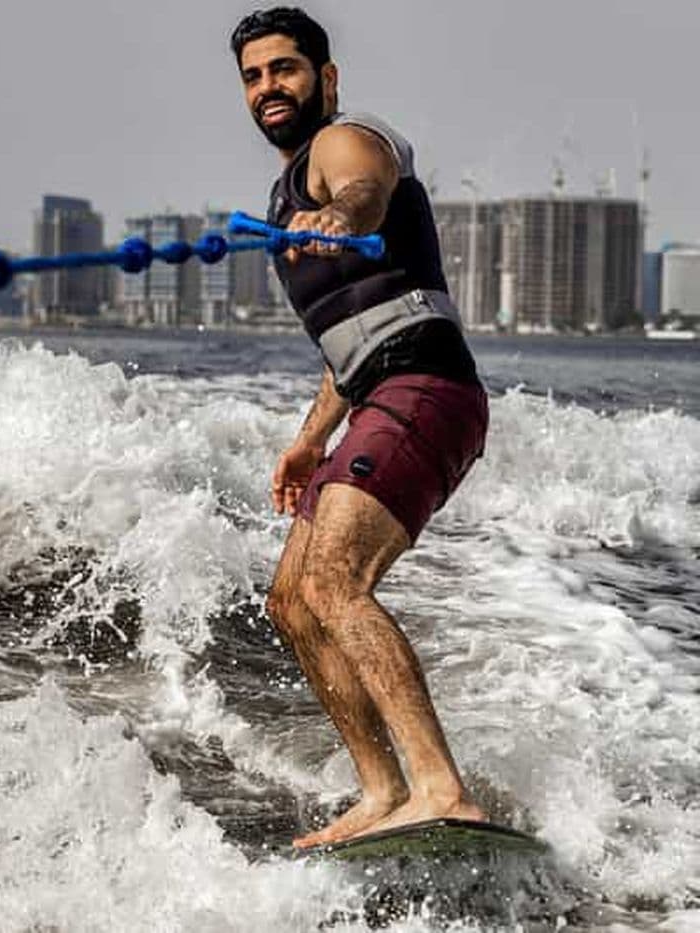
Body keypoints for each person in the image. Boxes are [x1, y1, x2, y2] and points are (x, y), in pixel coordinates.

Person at [230, 7, 489, 849]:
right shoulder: (282, 197)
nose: (268, 87)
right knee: (293, 601)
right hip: (379, 393)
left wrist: (342, 216)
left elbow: (363, 190)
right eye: (253, 76)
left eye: (284, 68)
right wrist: (312, 439)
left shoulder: (345, 142)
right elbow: (353, 341)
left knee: (336, 578)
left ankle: (441, 787)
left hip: (427, 388)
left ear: (326, 78)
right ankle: (382, 788)